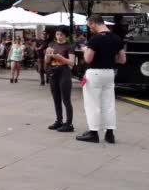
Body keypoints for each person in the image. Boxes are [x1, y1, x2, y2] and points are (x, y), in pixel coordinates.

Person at [76, 15, 126, 144]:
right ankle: (110, 134)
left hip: (95, 73)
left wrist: (85, 50)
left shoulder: (95, 39)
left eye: (89, 25)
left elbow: (88, 59)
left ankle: (93, 133)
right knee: (109, 104)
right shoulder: (116, 38)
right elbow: (122, 60)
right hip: (110, 73)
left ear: (93, 23)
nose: (89, 28)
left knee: (92, 104)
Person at [45, 26, 75, 133]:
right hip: (53, 72)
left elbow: (72, 62)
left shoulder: (69, 46)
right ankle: (59, 120)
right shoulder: (51, 45)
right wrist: (48, 54)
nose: (59, 36)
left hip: (64, 72)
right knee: (56, 98)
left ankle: (69, 123)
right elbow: (47, 61)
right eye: (57, 34)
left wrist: (60, 58)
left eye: (61, 34)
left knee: (66, 99)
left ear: (66, 35)